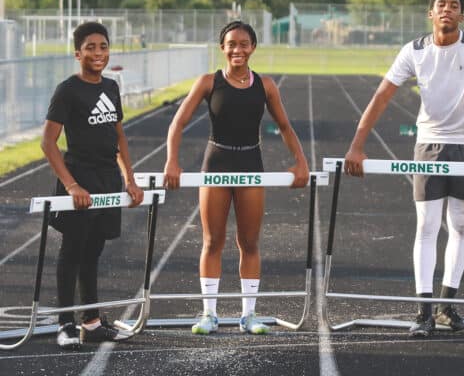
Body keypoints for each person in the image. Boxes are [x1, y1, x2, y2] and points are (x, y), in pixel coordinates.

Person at [344, 0, 464, 338]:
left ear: (462, 14)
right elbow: (381, 97)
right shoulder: (414, 50)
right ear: (430, 13)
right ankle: (424, 312)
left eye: (454, 5)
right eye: (441, 5)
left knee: (461, 225)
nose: (447, 10)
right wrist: (357, 144)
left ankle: (447, 306)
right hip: (429, 144)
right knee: (427, 226)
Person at [163, 20, 309, 335]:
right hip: (216, 164)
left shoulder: (266, 85)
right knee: (213, 240)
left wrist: (300, 162)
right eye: (231, 44)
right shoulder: (207, 82)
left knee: (250, 242)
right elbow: (178, 122)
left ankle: (249, 315)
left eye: (244, 44)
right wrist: (172, 162)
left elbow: (285, 126)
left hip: (250, 165)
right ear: (222, 48)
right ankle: (209, 314)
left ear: (253, 47)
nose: (237, 49)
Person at [41, 21, 144, 350]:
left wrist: (129, 177)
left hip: (107, 179)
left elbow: (118, 136)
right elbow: (48, 143)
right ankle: (66, 325)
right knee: (72, 250)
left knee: (93, 252)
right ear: (77, 53)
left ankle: (92, 323)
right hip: (79, 177)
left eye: (103, 47)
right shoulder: (67, 90)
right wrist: (71, 185)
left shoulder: (111, 87)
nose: (98, 53)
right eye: (90, 48)